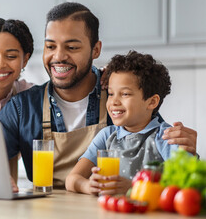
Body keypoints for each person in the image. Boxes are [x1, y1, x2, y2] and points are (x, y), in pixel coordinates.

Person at [0, 2, 198, 191]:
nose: (58, 56)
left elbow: (167, 159)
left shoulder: (121, 99)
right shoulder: (22, 108)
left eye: (72, 47)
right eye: (50, 46)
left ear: (96, 50)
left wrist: (186, 149)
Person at [65, 51, 178, 196]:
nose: (113, 102)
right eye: (111, 94)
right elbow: (71, 179)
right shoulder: (107, 136)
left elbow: (180, 186)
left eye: (125, 94)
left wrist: (134, 187)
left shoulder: (165, 136)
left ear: (152, 102)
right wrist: (88, 185)